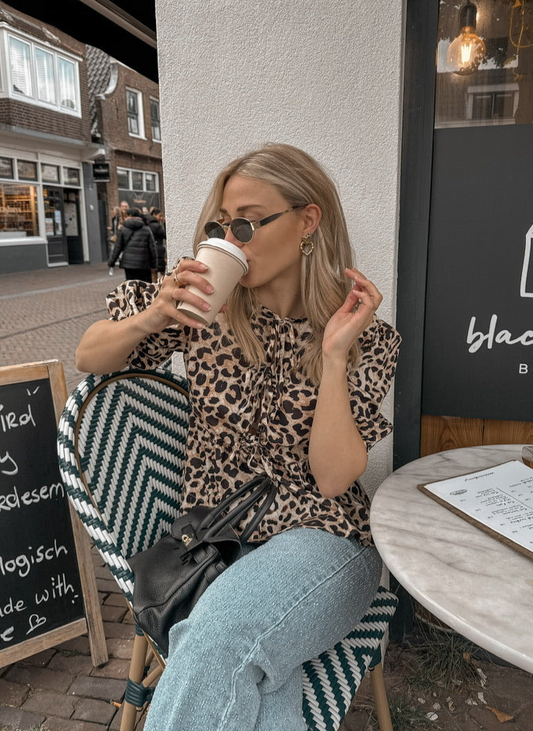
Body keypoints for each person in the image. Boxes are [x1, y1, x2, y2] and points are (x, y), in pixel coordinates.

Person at [76, 143, 401, 731]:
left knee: (218, 636)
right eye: (221, 224)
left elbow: (333, 480)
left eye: (247, 223)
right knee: (251, 679)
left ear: (307, 221)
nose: (231, 238)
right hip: (217, 541)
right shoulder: (205, 311)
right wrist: (153, 315)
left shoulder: (363, 336)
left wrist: (333, 357)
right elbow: (88, 356)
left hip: (323, 539)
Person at [107, 207, 157, 283]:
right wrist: (154, 265)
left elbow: (117, 247)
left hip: (129, 264)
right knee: (145, 286)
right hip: (144, 263)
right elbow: (152, 248)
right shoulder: (146, 229)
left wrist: (111, 262)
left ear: (129, 216)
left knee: (131, 286)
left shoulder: (123, 229)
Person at [146, 207, 167, 277]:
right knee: (162, 272)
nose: (161, 218)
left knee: (153, 272)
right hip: (158, 249)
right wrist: (165, 224)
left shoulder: (147, 224)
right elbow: (165, 235)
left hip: (150, 249)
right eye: (160, 216)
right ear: (154, 215)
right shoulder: (157, 226)